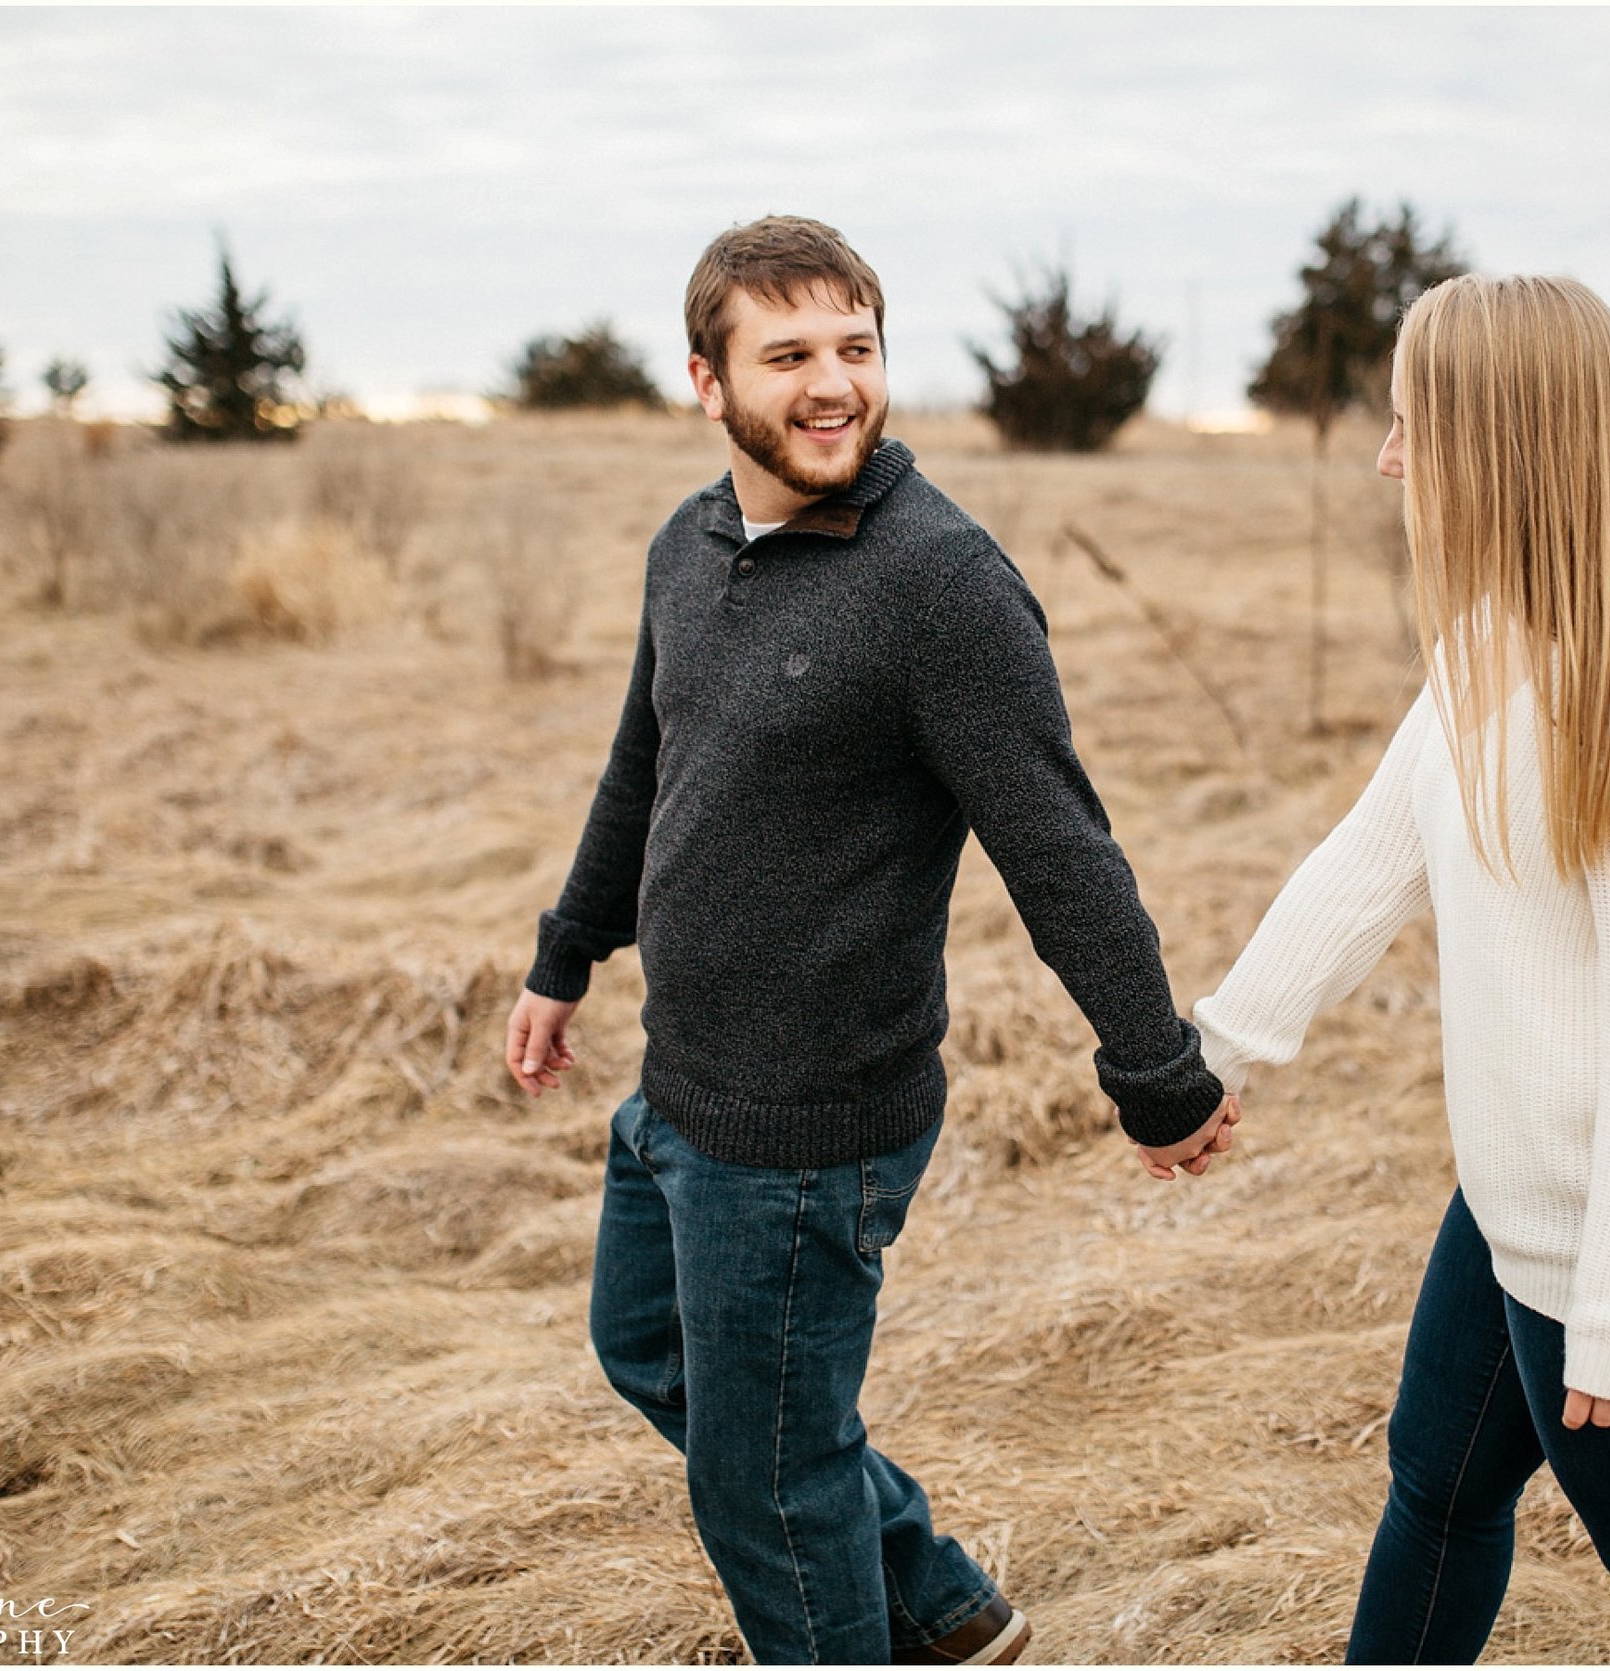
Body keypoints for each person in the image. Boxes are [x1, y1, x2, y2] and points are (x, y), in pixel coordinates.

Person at [502, 214, 1238, 1666]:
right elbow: (644, 770)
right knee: (648, 1356)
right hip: (681, 1086)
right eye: (788, 356)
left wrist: (1156, 1069)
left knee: (762, 1487)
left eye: (856, 347)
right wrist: (562, 956)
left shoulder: (939, 587)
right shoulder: (692, 543)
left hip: (808, 1130)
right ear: (708, 383)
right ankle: (941, 1605)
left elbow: (1058, 847)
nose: (832, 384)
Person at [1187, 273, 1610, 1665]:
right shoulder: (1492, 644)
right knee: (1435, 1487)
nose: (1386, 456)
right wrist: (1222, 1049)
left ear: (1503, 445)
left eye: (1409, 423)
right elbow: (1368, 862)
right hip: (1523, 1196)